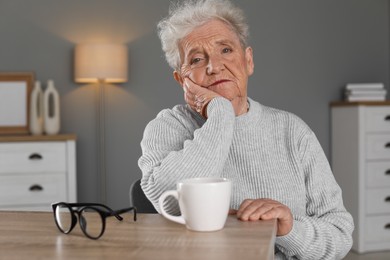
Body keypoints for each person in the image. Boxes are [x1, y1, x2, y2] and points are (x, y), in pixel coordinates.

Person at [138, 0, 354, 259]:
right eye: (196, 59)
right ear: (182, 80)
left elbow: (340, 236)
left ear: (248, 60)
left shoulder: (292, 131)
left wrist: (289, 230)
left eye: (226, 50)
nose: (214, 66)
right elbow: (169, 199)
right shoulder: (167, 127)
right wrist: (221, 113)